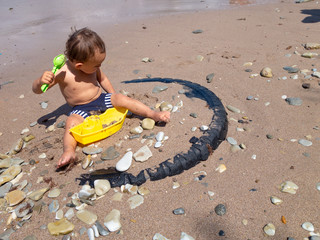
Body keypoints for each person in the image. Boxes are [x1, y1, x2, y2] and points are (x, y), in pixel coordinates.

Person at [32, 27, 170, 169]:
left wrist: (113, 95)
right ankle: (69, 150)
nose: (99, 67)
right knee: (71, 123)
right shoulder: (61, 73)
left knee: (123, 98)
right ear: (80, 65)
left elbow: (102, 79)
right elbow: (37, 91)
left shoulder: (91, 64)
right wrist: (40, 82)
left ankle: (152, 114)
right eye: (97, 65)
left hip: (101, 98)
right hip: (81, 108)